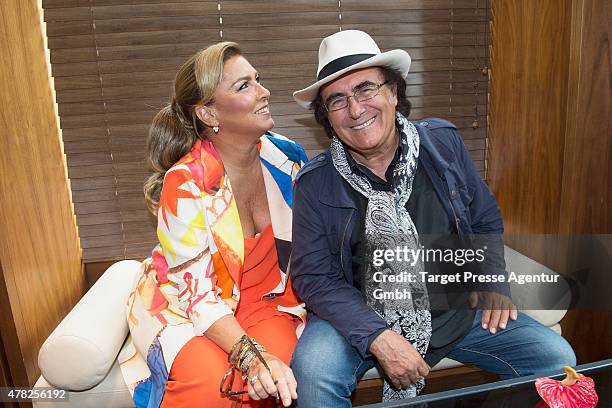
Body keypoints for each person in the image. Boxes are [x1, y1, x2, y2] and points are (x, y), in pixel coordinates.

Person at [289, 30, 576, 406]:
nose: (355, 110)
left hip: (450, 307)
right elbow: (314, 277)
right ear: (326, 117)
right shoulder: (316, 182)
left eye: (366, 89)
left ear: (393, 92)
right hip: (355, 318)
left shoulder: (442, 144)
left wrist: (490, 277)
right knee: (313, 374)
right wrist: (378, 335)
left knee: (557, 360)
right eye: (337, 100)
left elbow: (484, 218)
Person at [123, 42, 308, 408]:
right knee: (214, 385)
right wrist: (252, 357)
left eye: (258, 79)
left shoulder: (288, 157)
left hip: (266, 301)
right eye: (244, 86)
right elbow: (199, 297)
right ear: (208, 114)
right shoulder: (185, 183)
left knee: (280, 375)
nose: (263, 91)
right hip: (186, 305)